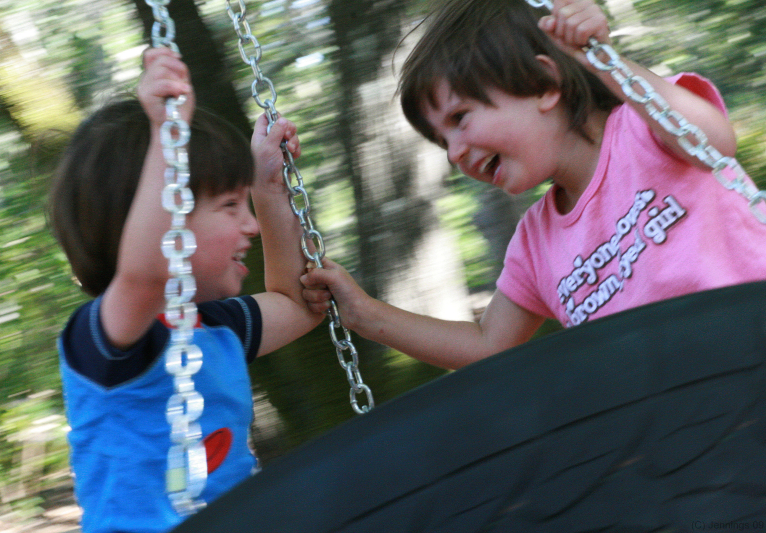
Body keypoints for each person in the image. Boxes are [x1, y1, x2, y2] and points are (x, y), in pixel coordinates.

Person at [301, 0, 766, 370]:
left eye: (460, 118)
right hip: (682, 421)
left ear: (545, 82)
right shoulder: (537, 242)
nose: (455, 152)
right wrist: (366, 314)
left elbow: (713, 143)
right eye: (442, 139)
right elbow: (488, 345)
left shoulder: (645, 130)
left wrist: (601, 59)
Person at [49, 47, 323, 533]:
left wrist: (268, 189)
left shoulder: (216, 327)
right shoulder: (108, 342)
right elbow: (147, 273)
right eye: (229, 206)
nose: (251, 227)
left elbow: (297, 304)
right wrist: (164, 134)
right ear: (166, 211)